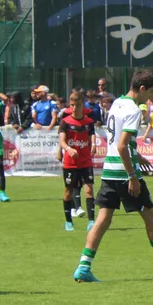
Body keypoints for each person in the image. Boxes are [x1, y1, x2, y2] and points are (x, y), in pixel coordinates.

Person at [73, 70, 153, 283]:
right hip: (123, 172)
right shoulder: (133, 110)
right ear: (141, 88)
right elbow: (121, 145)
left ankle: (83, 266)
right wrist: (132, 176)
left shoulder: (117, 103)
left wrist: (137, 155)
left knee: (103, 219)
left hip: (110, 170)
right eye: (151, 92)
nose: (152, 97)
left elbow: (117, 141)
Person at [59, 90, 97, 232]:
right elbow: (62, 141)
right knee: (68, 191)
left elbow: (92, 134)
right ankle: (68, 221)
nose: (75, 108)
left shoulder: (88, 122)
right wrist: (68, 149)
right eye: (72, 105)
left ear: (83, 104)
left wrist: (93, 145)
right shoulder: (65, 122)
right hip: (70, 163)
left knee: (89, 189)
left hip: (85, 162)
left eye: (78, 105)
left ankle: (91, 221)